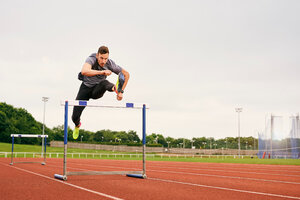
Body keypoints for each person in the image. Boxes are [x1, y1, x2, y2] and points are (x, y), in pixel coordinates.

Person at [71, 46, 130, 139]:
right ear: (98, 55)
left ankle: (115, 89)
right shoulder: (91, 59)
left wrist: (121, 91)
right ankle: (77, 125)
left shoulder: (110, 64)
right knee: (74, 117)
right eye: (101, 58)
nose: (103, 61)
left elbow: (126, 74)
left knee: (104, 83)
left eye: (106, 59)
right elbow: (84, 71)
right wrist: (102, 72)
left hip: (97, 90)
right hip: (85, 88)